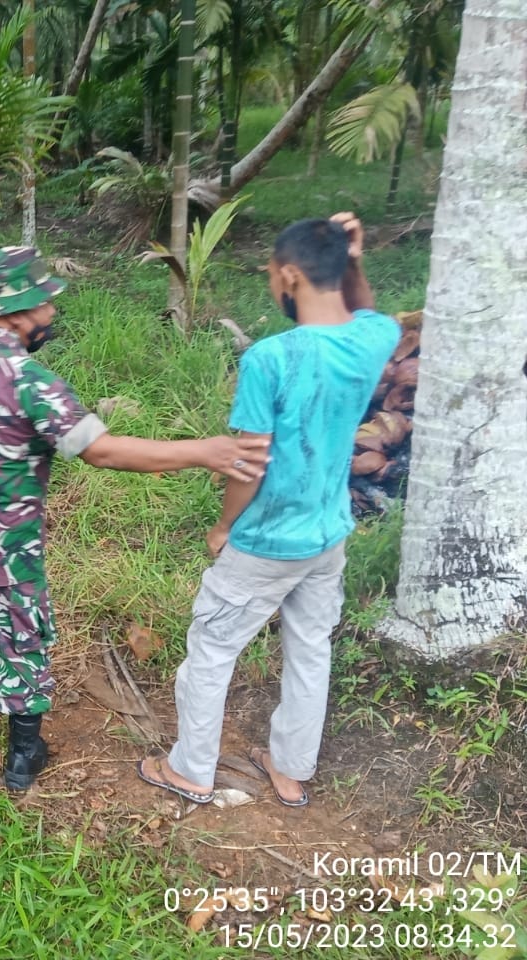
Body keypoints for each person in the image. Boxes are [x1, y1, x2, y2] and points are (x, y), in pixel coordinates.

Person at [0, 246, 272, 793]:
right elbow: (103, 451)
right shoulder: (32, 382)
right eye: (45, 305)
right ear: (19, 312)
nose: (50, 315)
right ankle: (22, 758)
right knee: (20, 639)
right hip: (4, 548)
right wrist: (203, 450)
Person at [138, 213, 399, 809]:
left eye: (270, 278)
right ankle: (289, 770)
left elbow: (247, 461)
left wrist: (225, 525)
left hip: (265, 541)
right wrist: (351, 257)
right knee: (310, 648)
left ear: (288, 274)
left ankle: (191, 770)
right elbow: (364, 308)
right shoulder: (373, 336)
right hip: (328, 534)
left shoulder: (270, 358)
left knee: (212, 648)